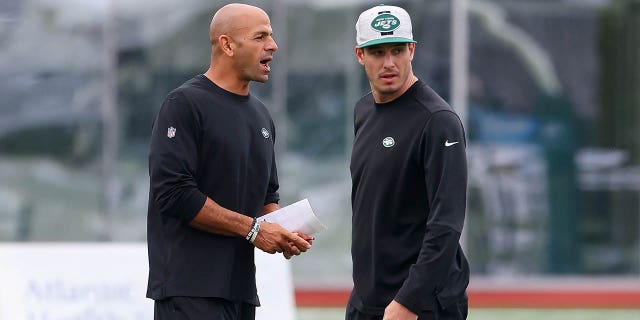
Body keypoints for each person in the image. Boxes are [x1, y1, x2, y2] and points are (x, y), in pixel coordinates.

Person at [146, 3, 312, 320]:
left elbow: (266, 198)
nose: (273, 46)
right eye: (260, 36)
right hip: (189, 291)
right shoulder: (184, 104)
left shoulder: (262, 116)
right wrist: (252, 230)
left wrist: (285, 231)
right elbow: (174, 194)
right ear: (227, 45)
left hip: (241, 294)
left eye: (272, 36)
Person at [347, 5, 470, 320]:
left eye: (397, 50)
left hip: (421, 305)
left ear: (411, 50)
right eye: (377, 52)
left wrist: (410, 300)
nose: (389, 62)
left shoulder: (439, 121)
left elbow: (447, 223)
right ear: (360, 55)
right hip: (367, 300)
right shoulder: (363, 111)